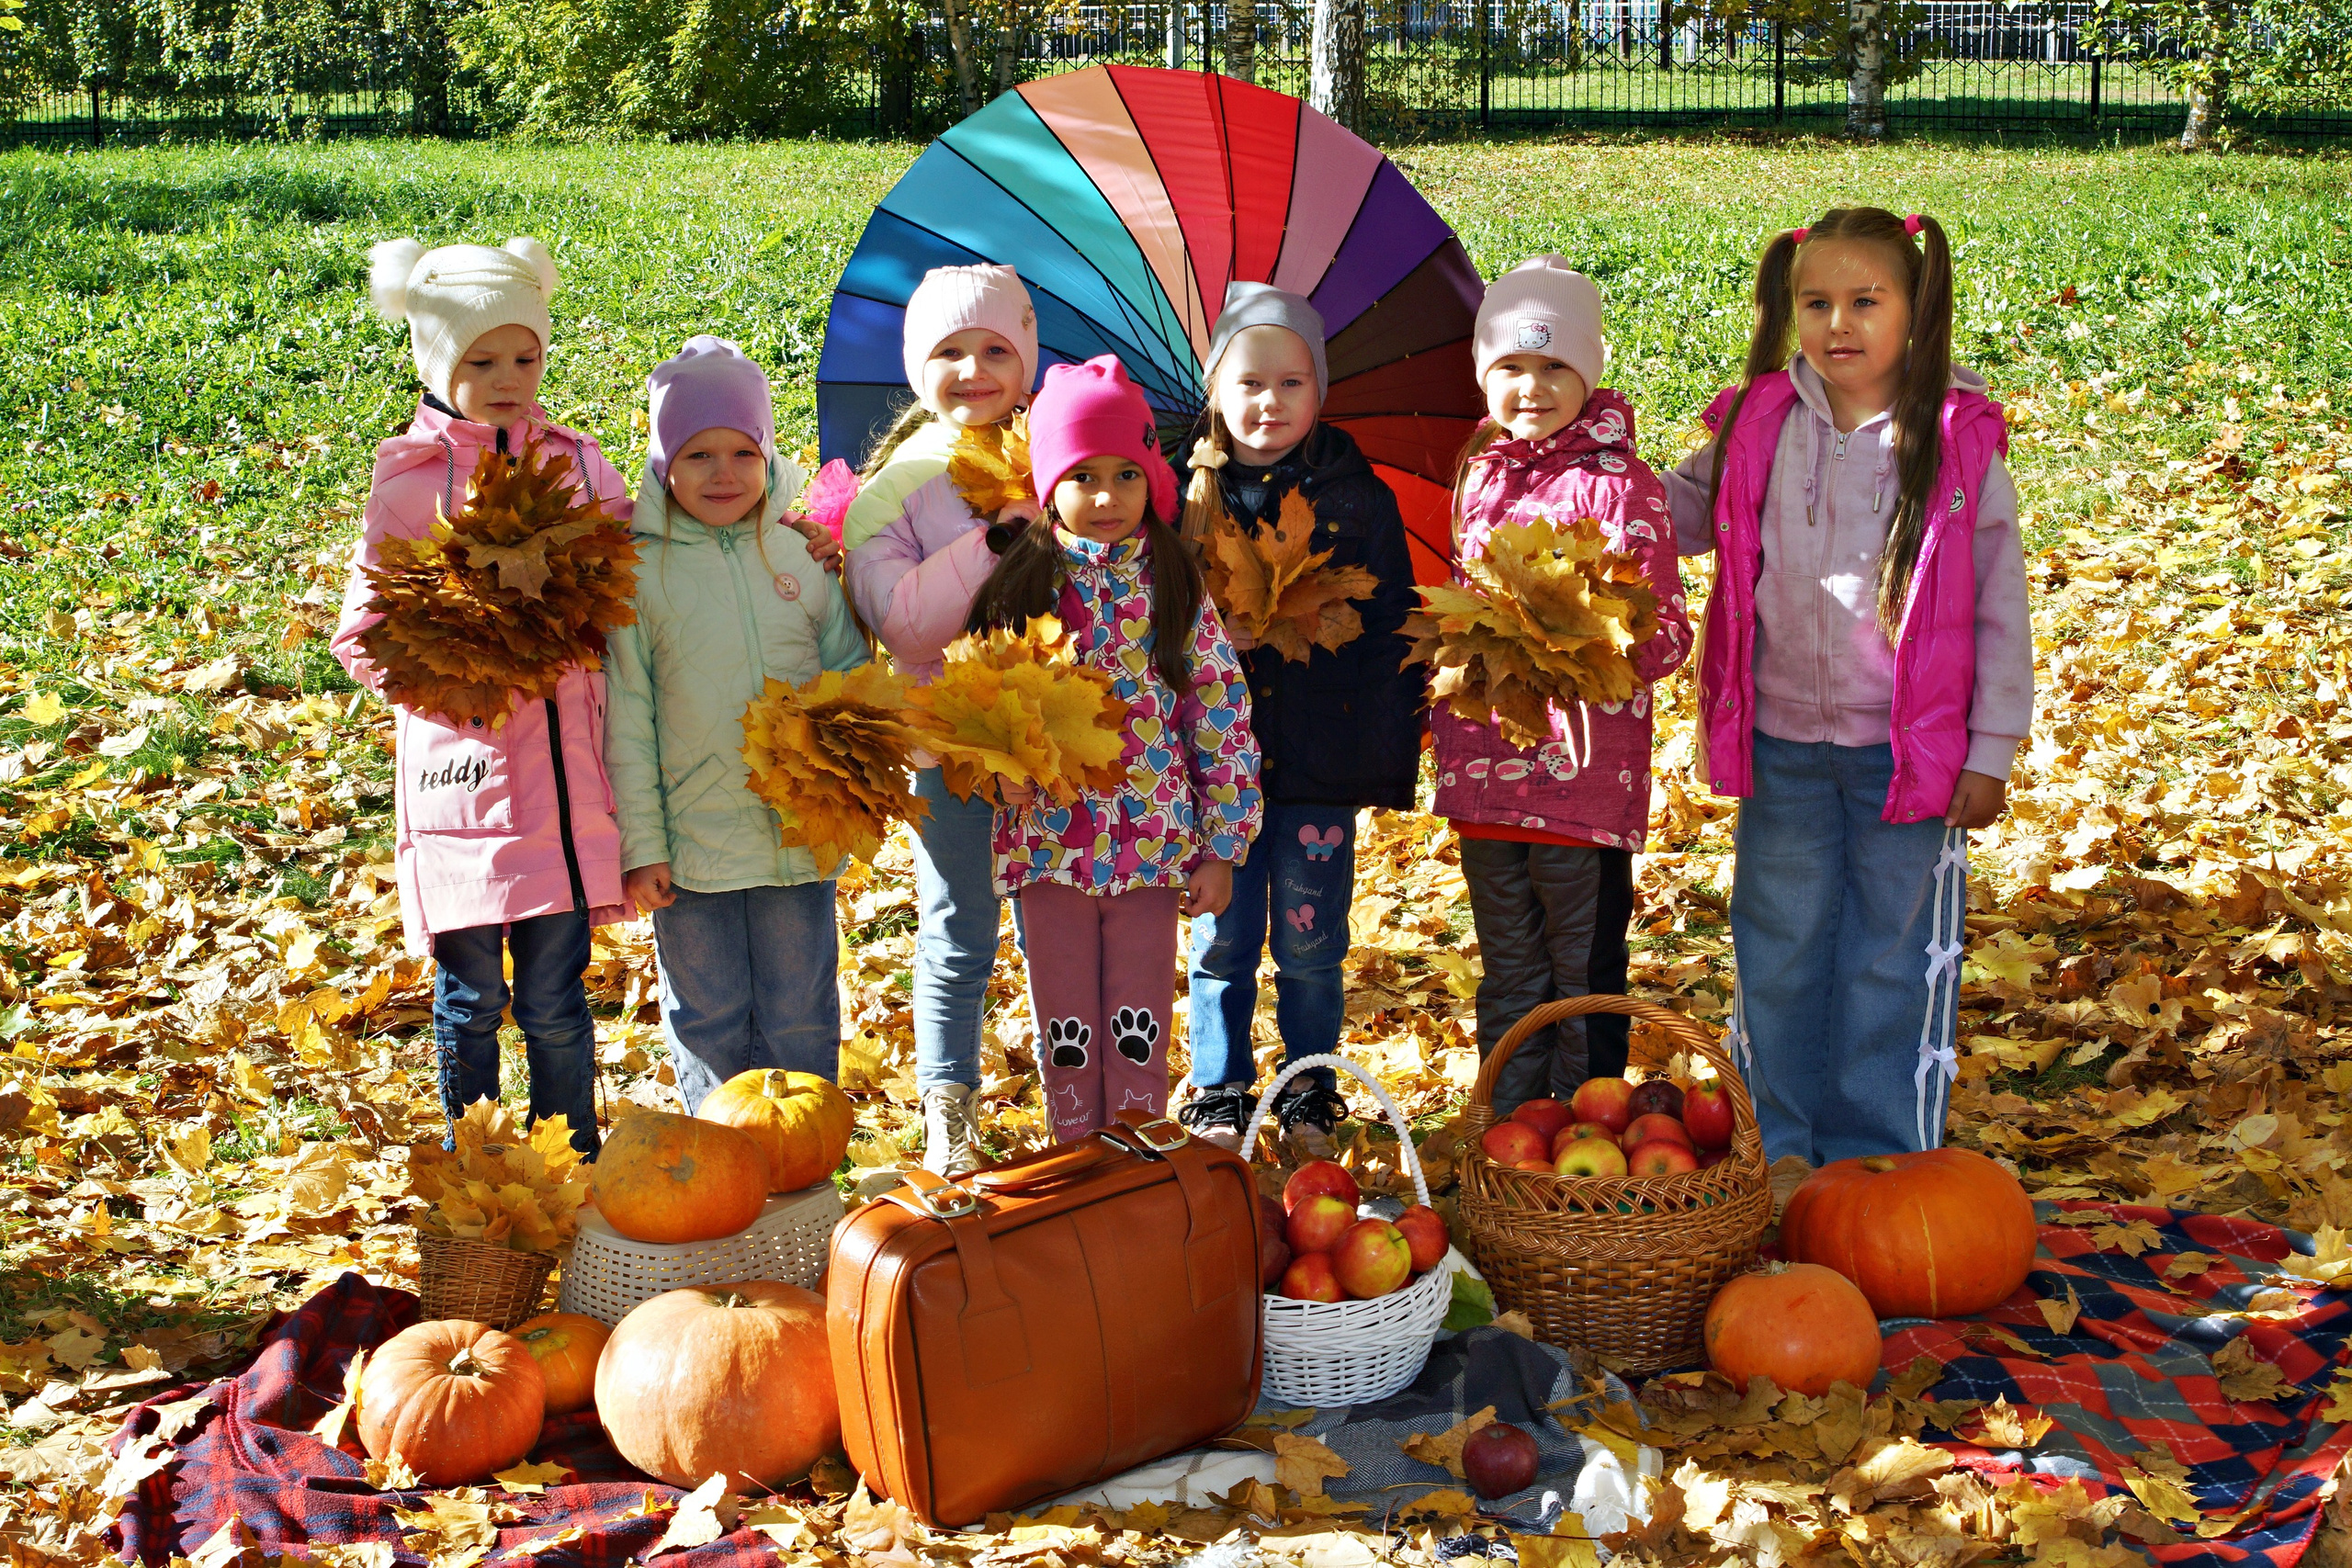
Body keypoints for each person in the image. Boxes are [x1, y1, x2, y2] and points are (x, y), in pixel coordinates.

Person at [1661, 208, 2032, 1167]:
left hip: (1905, 760)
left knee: (1887, 961)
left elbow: (1998, 606)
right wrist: (1599, 481)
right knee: (1777, 952)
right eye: (1815, 302)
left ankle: (1877, 1162)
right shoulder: (1758, 421)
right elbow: (1688, 513)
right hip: (1782, 744)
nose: (1838, 324)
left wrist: (1989, 752)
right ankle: (1777, 1154)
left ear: (1914, 310)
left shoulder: (1955, 442)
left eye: (1864, 301)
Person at [335, 235, 627, 1156]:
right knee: (471, 999)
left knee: (553, 998)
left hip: (566, 789)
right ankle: (482, 1174)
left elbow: (630, 596)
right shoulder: (409, 482)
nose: (508, 378)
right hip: (461, 787)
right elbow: (362, 634)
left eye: (526, 357)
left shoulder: (583, 469)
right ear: (435, 360)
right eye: (480, 360)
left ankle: (570, 1169)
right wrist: (454, 689)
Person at [966, 355, 1263, 1145]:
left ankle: (1136, 1165)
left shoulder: (1173, 585)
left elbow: (1219, 715)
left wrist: (1223, 845)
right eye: (1083, 475)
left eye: (1125, 475)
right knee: (1065, 1023)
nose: (1105, 497)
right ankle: (1075, 1162)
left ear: (1150, 482)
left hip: (1153, 847)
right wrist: (1001, 776)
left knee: (1138, 1022)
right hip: (1051, 846)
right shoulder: (1019, 585)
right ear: (1049, 482)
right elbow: (976, 711)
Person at [1172, 284, 1425, 1157]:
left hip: (1320, 757)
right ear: (1214, 391)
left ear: (1320, 392)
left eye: (1291, 383)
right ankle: (1220, 1083)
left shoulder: (1357, 499)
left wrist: (1384, 761)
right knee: (1222, 937)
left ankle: (1310, 1081)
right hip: (1218, 773)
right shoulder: (1183, 497)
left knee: (1313, 938)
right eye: (1247, 383)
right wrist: (1216, 632)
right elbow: (1151, 623)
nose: (1268, 402)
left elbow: (1392, 624)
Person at [1439, 256, 1692, 1119]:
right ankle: (1513, 1134)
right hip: (1486, 772)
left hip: (1585, 788)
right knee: (1510, 968)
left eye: (1555, 366)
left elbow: (1666, 637)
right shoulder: (1476, 478)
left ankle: (1587, 1133)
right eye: (1510, 366)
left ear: (1588, 372)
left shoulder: (1625, 486)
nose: (1532, 387)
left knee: (1580, 971)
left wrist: (1585, 639)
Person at [603, 336, 868, 1114]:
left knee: (801, 1011)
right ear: (662, 464)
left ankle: (808, 1171)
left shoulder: (798, 552)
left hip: (795, 836)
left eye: (742, 453)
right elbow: (630, 717)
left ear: (768, 454)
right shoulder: (642, 572)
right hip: (692, 848)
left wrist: (848, 799)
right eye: (698, 454)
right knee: (708, 1015)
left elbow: (852, 681)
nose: (723, 473)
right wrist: (643, 845)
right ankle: (723, 1160)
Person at [842, 265, 1038, 1177]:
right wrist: (996, 536)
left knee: (1059, 912)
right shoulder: (901, 485)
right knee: (960, 923)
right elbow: (904, 619)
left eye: (995, 348)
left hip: (1051, 741)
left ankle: (1073, 1086)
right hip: (948, 742)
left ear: (1028, 359)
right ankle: (948, 1106)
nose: (973, 367)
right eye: (949, 351)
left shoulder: (1061, 456)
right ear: (919, 366)